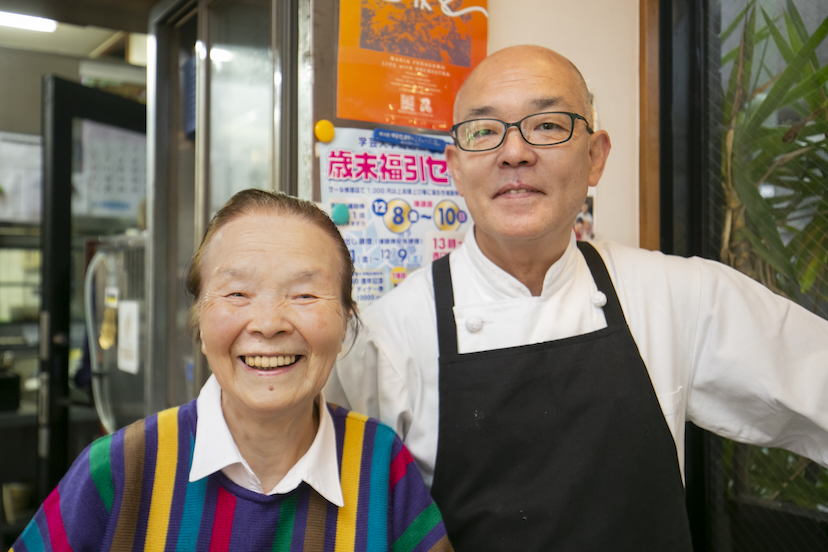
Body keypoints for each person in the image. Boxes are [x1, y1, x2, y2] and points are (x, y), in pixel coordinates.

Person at [325, 45, 828, 551]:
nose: (514, 153)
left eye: (546, 125)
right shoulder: (386, 338)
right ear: (455, 166)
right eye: (484, 131)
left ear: (595, 157)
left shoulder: (679, 295)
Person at [12, 189, 452, 552]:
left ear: (345, 323)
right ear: (202, 323)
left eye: (304, 295)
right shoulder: (119, 469)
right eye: (237, 293)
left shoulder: (379, 463)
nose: (267, 323)